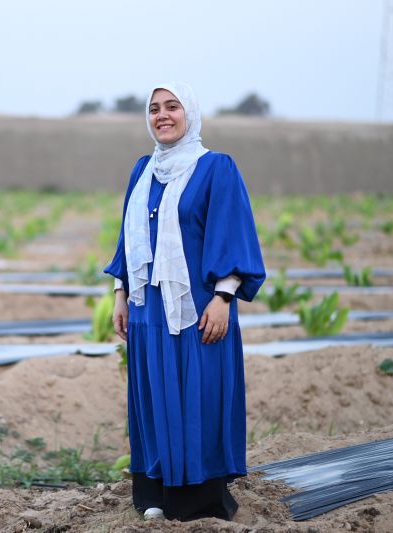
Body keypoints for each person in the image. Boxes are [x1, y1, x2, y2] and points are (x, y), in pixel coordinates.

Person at [103, 82, 266, 522]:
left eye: (172, 106)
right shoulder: (142, 171)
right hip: (147, 311)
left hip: (197, 310)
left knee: (199, 394)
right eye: (154, 109)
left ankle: (201, 499)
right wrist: (120, 293)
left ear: (189, 113)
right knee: (155, 396)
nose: (162, 115)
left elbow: (233, 232)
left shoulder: (216, 168)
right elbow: (129, 240)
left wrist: (223, 297)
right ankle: (153, 493)